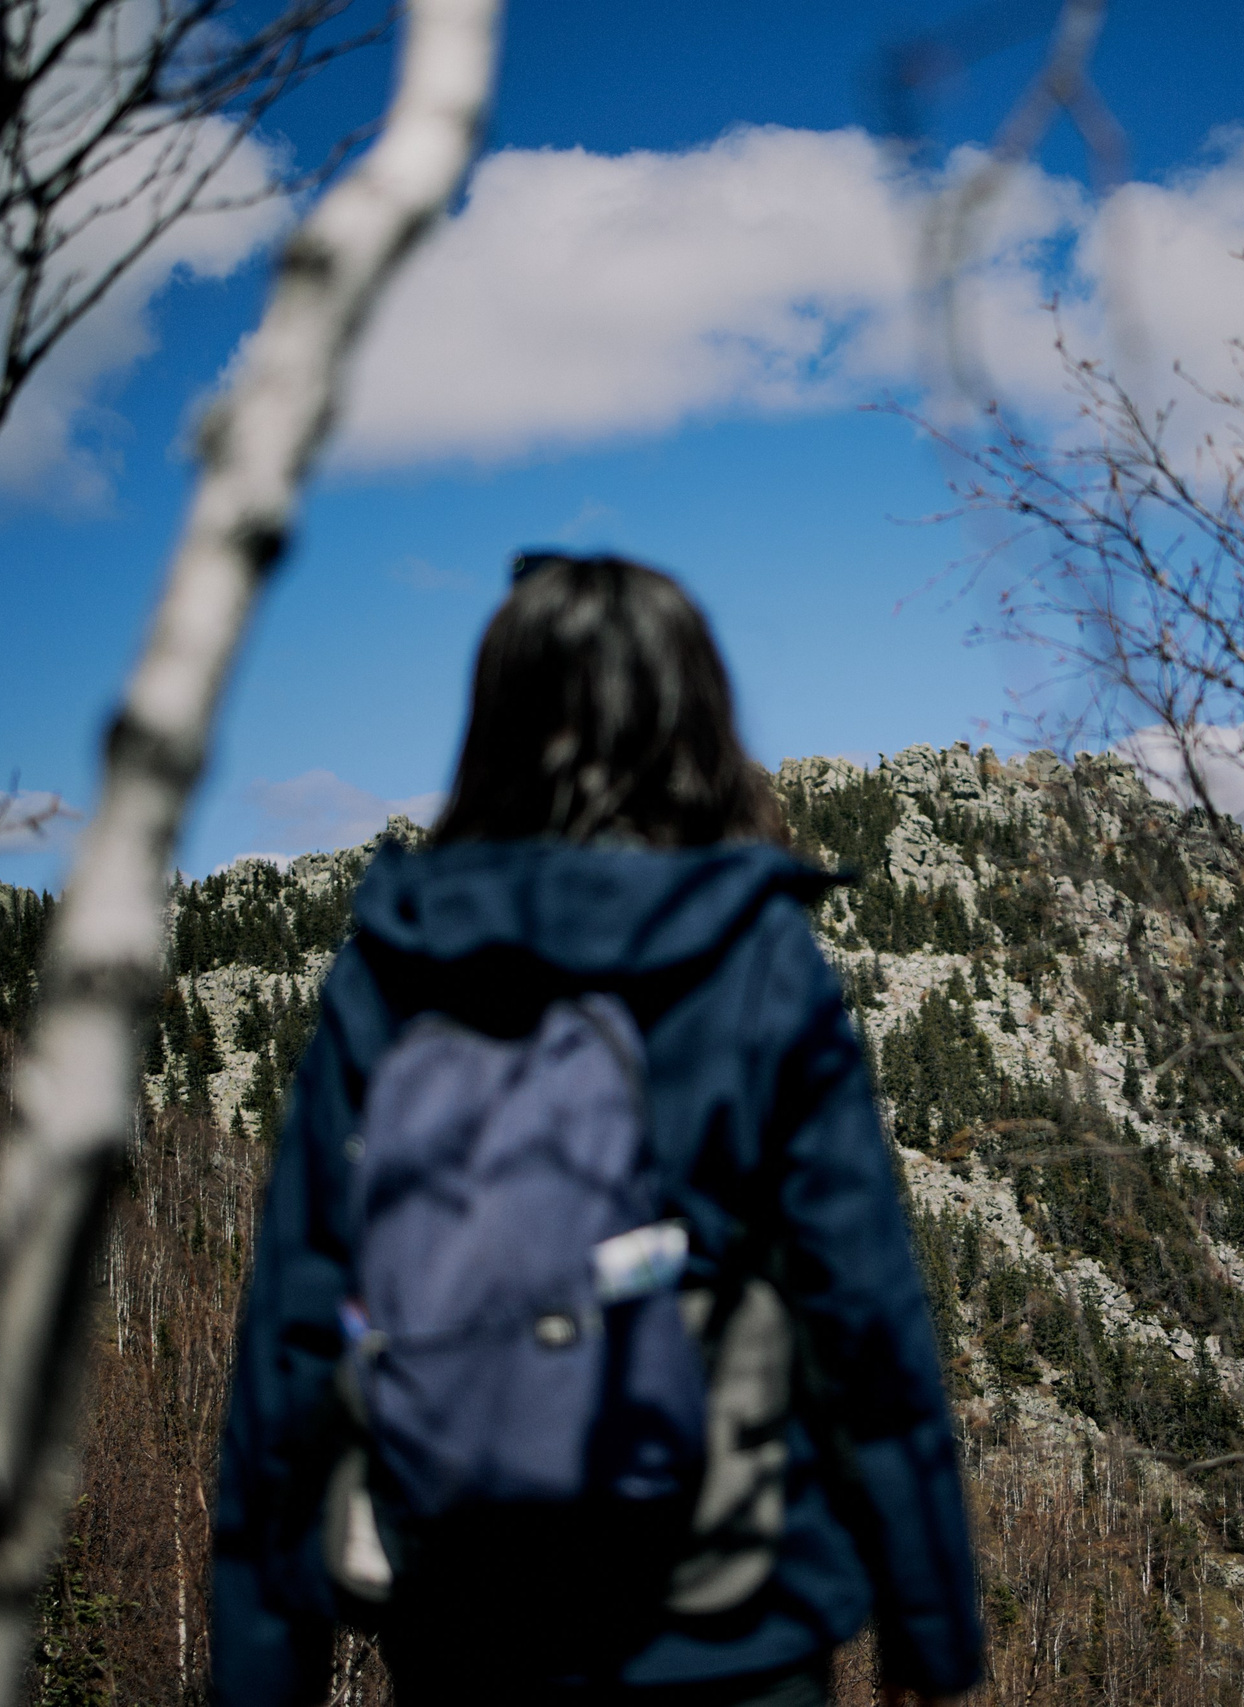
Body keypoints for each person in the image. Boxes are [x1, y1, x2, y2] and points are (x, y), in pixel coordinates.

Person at [210, 553, 984, 1707]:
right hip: (730, 1624)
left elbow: (296, 1337)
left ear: (495, 725)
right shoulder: (756, 955)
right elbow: (861, 1313)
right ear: (699, 722)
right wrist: (929, 1628)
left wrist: (265, 1670)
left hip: (464, 1622)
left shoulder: (396, 968)